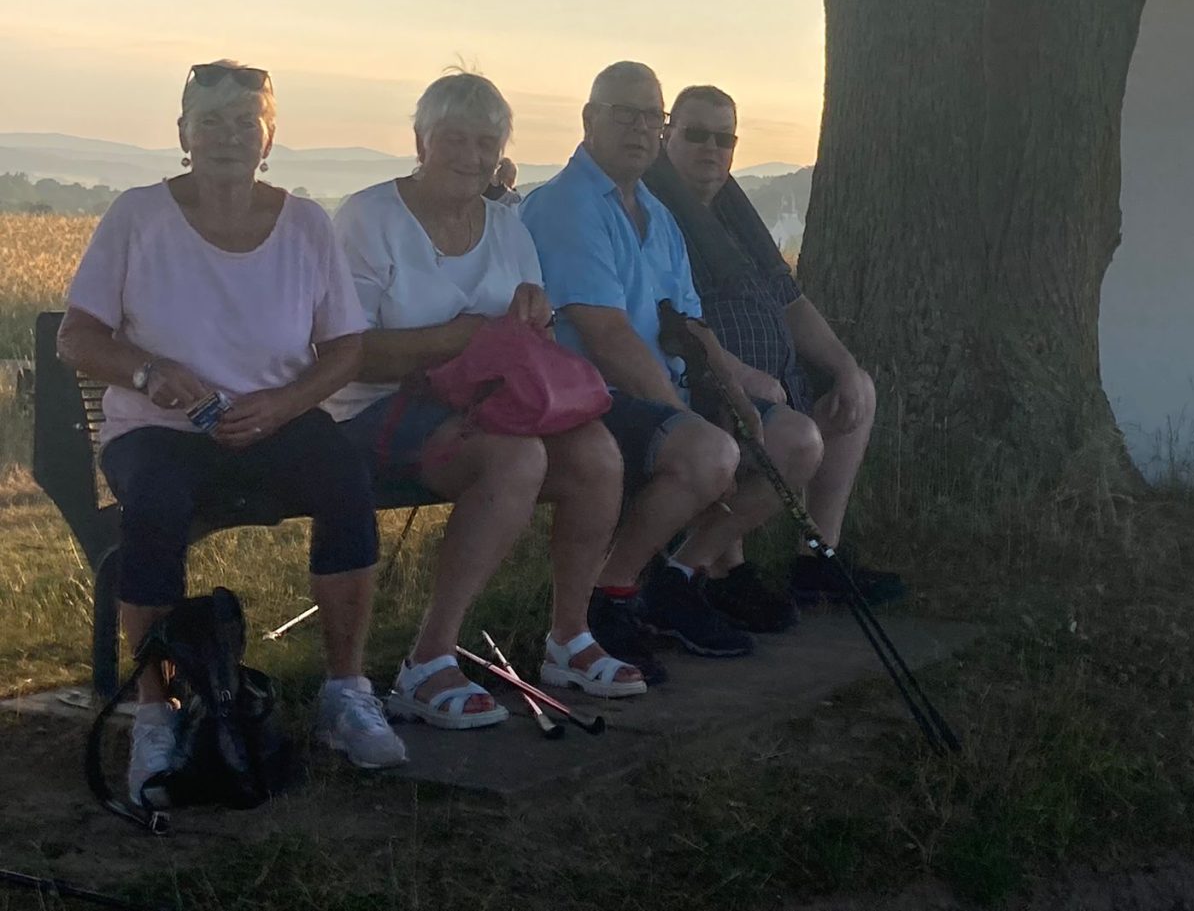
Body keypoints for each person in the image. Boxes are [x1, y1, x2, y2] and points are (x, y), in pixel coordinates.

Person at [56, 60, 405, 806]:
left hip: (274, 421)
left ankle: (346, 691)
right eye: (209, 121)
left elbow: (345, 347)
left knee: (345, 478)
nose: (227, 136)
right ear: (183, 134)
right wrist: (147, 371)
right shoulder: (138, 216)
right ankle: (157, 710)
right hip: (159, 429)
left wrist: (283, 405)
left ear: (268, 137)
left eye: (245, 121)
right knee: (154, 505)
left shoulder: (306, 224)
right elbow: (76, 337)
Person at [327, 71, 643, 721]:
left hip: (483, 406)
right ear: (421, 140)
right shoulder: (369, 217)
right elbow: (346, 352)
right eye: (454, 138)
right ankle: (428, 660)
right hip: (371, 409)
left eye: (486, 143)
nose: (471, 156)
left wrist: (533, 317)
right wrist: (459, 338)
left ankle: (570, 637)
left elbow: (526, 338)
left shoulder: (507, 226)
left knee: (596, 452)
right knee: (516, 458)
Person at [520, 62, 824, 677]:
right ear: (589, 119)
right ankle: (610, 594)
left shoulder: (657, 214)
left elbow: (687, 325)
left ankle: (679, 578)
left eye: (650, 117)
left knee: (797, 440)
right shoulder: (564, 206)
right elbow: (606, 337)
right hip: (591, 397)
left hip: (663, 388)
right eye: (624, 114)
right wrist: (688, 417)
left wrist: (739, 388)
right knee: (708, 453)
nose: (640, 129)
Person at [651, 85, 902, 605]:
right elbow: (670, 319)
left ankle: (818, 557)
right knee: (751, 424)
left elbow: (790, 300)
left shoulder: (734, 212)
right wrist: (739, 375)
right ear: (667, 135)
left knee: (855, 393)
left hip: (778, 378)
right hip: (706, 380)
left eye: (723, 138)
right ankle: (717, 569)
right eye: (696, 134)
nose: (710, 148)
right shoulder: (656, 213)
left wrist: (844, 366)